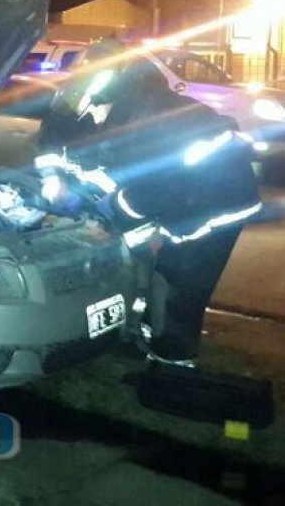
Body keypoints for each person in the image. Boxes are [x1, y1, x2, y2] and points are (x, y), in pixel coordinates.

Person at [36, 39, 262, 364]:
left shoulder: (149, 119)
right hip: (173, 192)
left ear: (110, 92)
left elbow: (151, 193)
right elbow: (54, 137)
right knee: (142, 263)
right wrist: (52, 177)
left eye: (95, 110)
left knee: (180, 280)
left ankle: (173, 357)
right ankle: (144, 334)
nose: (92, 116)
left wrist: (108, 219)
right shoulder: (84, 101)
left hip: (215, 199)